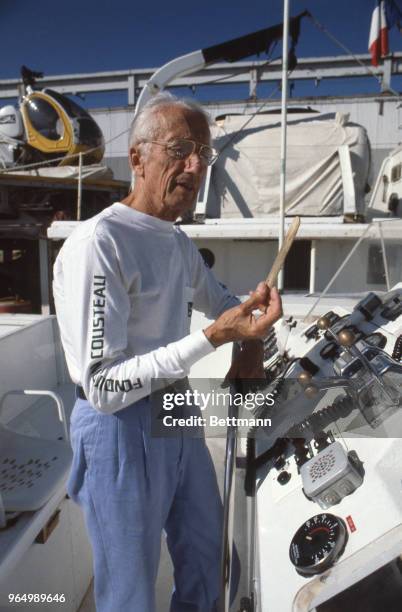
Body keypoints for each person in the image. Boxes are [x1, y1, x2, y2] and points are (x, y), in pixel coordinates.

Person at [53, 92, 282, 612]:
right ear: (137, 157)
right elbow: (105, 387)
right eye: (180, 148)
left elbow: (221, 301)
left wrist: (251, 324)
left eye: (204, 152)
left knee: (207, 555)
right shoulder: (100, 243)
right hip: (118, 432)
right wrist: (212, 339)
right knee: (130, 592)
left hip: (175, 415)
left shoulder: (176, 243)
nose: (196, 165)